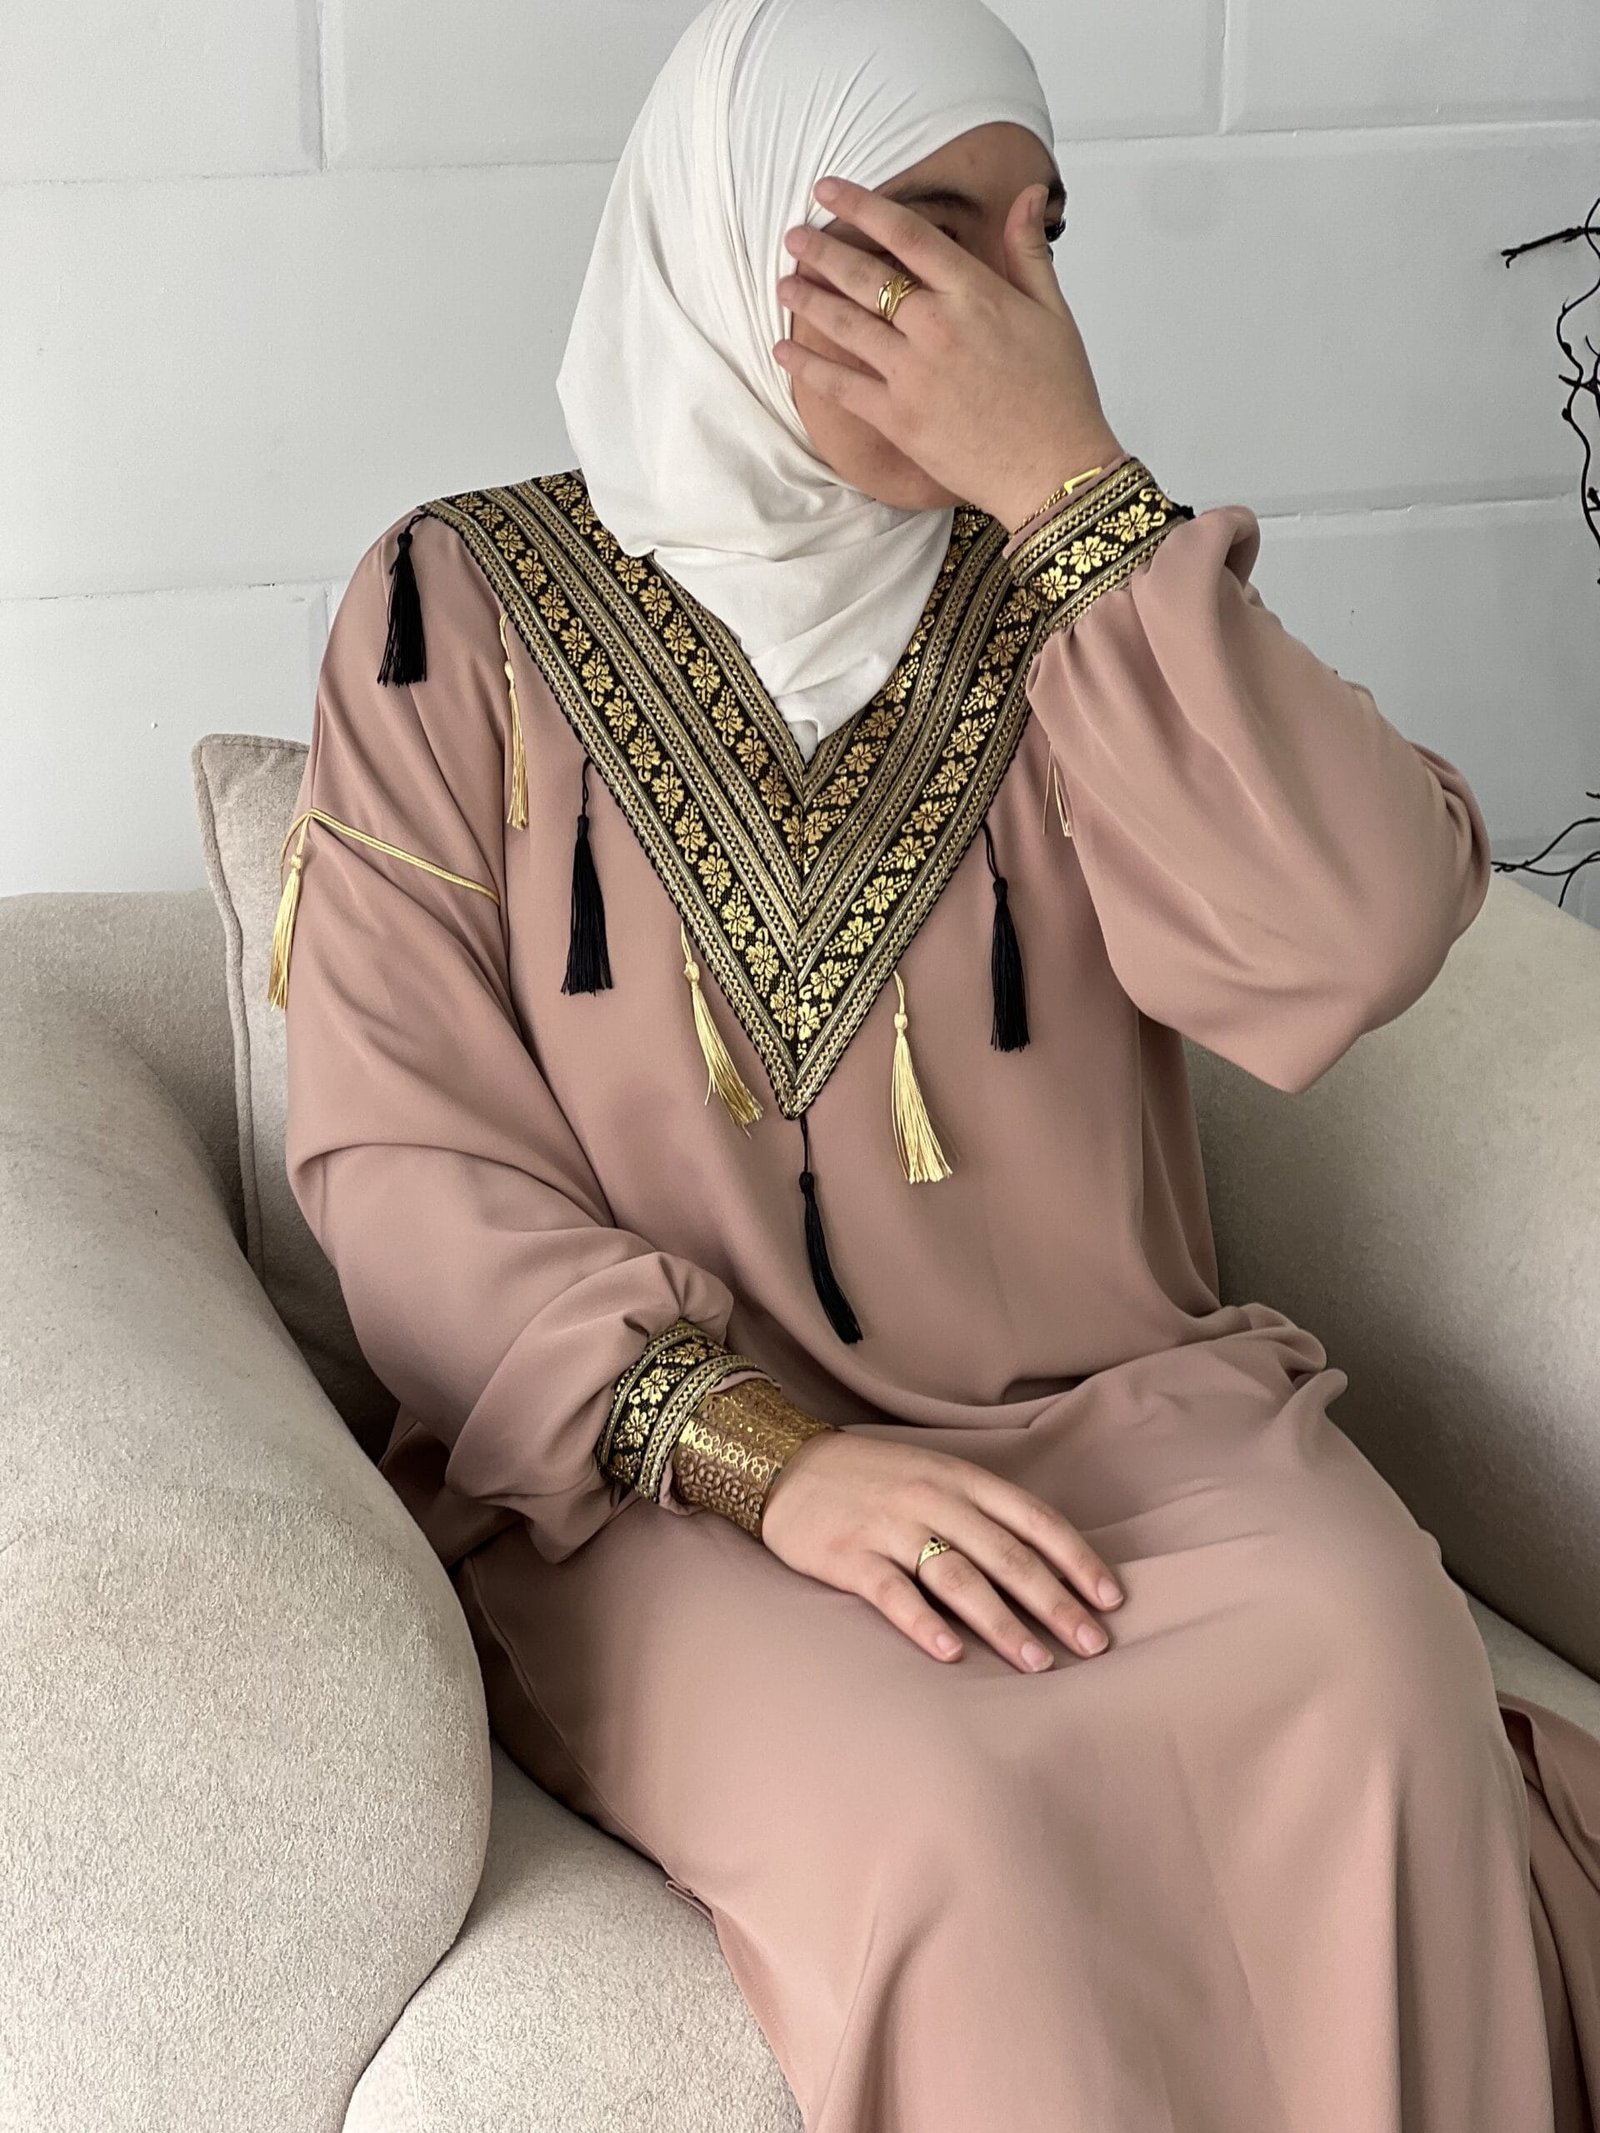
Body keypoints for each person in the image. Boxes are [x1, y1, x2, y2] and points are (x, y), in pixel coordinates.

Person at [271, 0, 1600, 2124]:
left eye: (1041, 240)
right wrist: (776, 1465)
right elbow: (403, 1154)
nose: (1004, 303)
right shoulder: (451, 613)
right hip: (666, 1500)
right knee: (945, 1818)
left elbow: (1353, 930)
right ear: (737, 231)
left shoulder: (1079, 604)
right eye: (927, 228)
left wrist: (1073, 491)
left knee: (1369, 1665)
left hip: (1133, 1427)